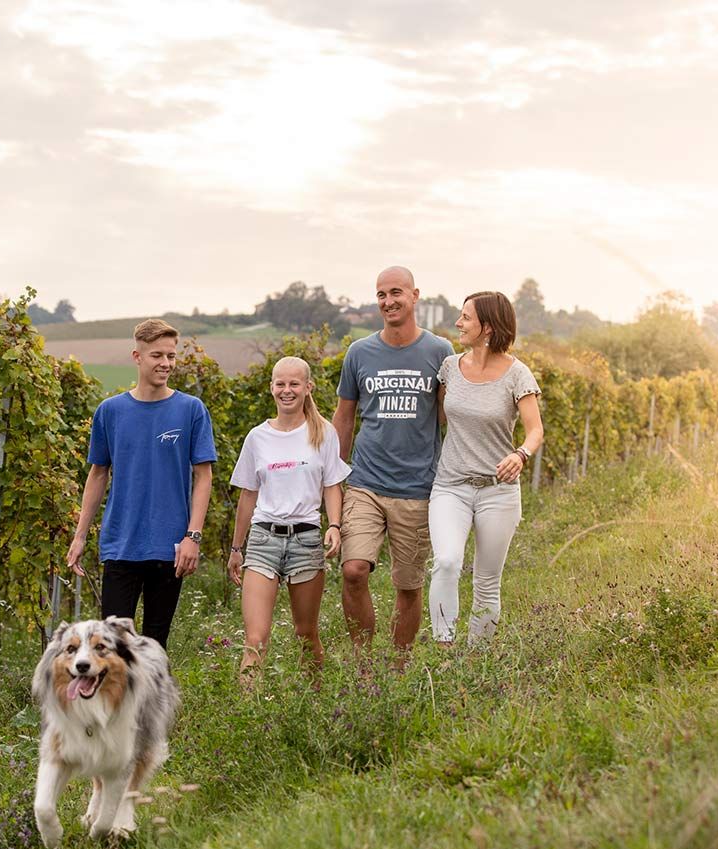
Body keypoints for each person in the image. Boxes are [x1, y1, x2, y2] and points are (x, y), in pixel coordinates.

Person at [66, 318, 217, 651]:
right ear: (137, 356)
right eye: (157, 356)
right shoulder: (110, 412)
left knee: (154, 647)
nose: (166, 364)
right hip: (121, 545)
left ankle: (153, 706)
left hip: (171, 547)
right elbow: (97, 474)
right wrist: (79, 537)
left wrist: (192, 536)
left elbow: (203, 476)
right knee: (112, 648)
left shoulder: (191, 410)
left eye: (171, 356)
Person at [332, 266, 454, 655]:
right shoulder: (359, 352)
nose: (388, 301)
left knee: (408, 585)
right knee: (353, 571)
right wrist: (335, 478)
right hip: (365, 482)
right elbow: (345, 417)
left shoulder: (440, 351)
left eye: (396, 292)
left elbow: (450, 416)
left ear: (415, 295)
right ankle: (364, 666)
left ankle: (398, 668)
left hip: (417, 487)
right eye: (381, 294)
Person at [428, 291, 544, 645]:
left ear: (488, 327)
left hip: (498, 490)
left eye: (465, 317)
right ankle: (444, 652)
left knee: (487, 582)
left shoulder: (517, 374)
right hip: (451, 486)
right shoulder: (449, 368)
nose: (458, 324)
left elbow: (535, 429)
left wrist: (520, 454)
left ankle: (477, 662)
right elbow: (438, 417)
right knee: (446, 562)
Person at [227, 357, 350, 679]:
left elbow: (332, 485)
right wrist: (236, 548)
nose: (287, 390)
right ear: (271, 388)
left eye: (294, 383)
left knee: (305, 633)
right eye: (280, 384)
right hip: (263, 539)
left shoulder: (324, 433)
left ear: (308, 388)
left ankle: (318, 706)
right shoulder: (257, 437)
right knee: (255, 639)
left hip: (306, 539)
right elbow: (248, 495)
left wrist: (334, 525)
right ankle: (246, 719)